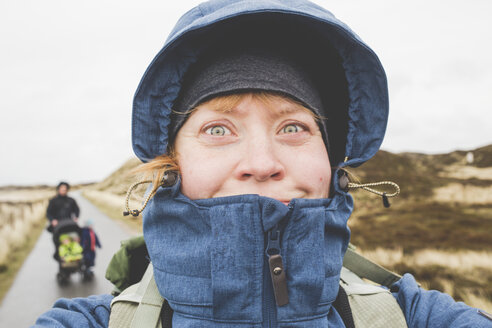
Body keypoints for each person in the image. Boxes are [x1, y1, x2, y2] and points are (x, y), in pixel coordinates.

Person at [33, 0, 492, 327]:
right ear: (172, 165)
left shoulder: (411, 317)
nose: (261, 163)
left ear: (331, 163)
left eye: (293, 127)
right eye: (218, 130)